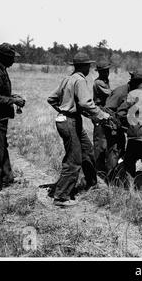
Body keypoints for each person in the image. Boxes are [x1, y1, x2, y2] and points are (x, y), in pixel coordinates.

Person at [47, 52, 110, 207]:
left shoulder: (67, 79)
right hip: (70, 122)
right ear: (84, 66)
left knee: (87, 151)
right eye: (88, 65)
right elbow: (86, 103)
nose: (89, 68)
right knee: (74, 159)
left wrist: (64, 109)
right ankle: (61, 197)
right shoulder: (80, 80)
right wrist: (102, 115)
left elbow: (51, 99)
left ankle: (92, 184)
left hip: (69, 120)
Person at [0, 43, 26, 191]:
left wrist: (12, 96)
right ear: (4, 57)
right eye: (12, 57)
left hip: (1, 118)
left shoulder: (1, 68)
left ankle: (7, 178)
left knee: (2, 146)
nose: (14, 61)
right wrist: (13, 100)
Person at [92, 59, 112, 177]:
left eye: (107, 70)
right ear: (100, 72)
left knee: (106, 143)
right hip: (99, 114)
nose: (107, 72)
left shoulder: (105, 80)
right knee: (100, 145)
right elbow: (110, 94)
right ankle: (98, 173)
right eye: (104, 71)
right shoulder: (99, 82)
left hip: (104, 113)